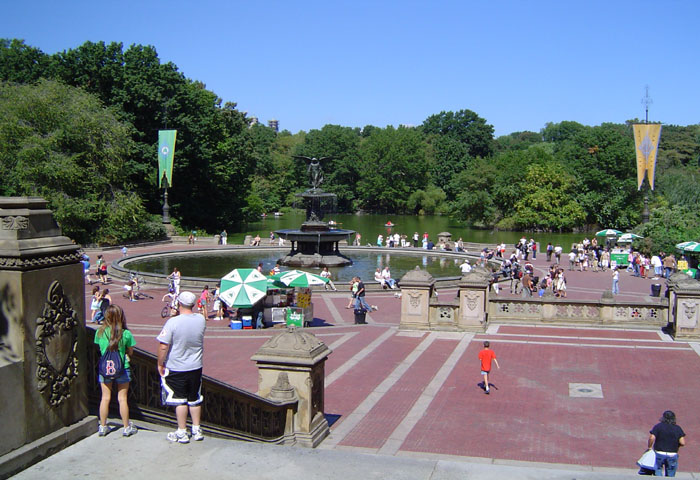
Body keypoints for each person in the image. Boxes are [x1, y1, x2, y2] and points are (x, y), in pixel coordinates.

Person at [157, 291, 207, 443]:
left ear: (179, 303)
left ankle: (181, 431)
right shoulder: (201, 319)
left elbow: (164, 345)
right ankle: (197, 428)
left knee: (180, 399)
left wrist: (160, 363)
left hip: (177, 365)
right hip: (195, 365)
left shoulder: (173, 322)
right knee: (194, 398)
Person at [95, 305, 137, 437]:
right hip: (122, 368)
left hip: (105, 368)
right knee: (122, 398)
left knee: (105, 398)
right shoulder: (126, 334)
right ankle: (126, 427)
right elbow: (130, 351)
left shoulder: (100, 333)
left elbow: (100, 348)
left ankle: (103, 426)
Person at [647, 410, 686, 476]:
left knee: (658, 471)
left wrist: (650, 447)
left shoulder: (658, 426)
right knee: (670, 474)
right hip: (672, 454)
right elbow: (682, 443)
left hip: (659, 453)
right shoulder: (677, 428)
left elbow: (652, 438)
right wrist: (676, 445)